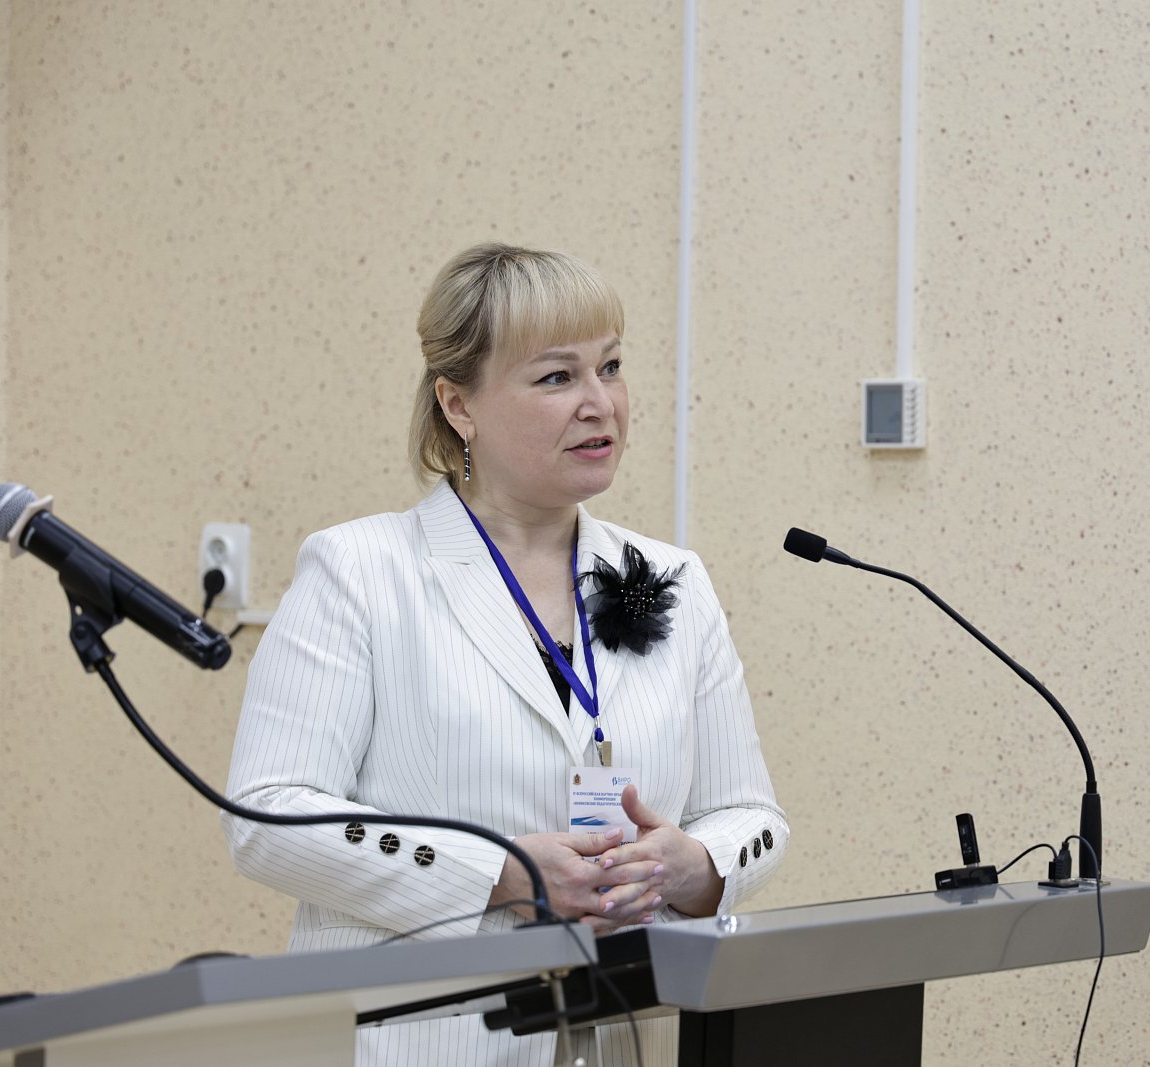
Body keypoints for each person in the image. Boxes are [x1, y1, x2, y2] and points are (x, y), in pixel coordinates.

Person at [222, 243, 789, 1066]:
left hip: (625, 1030)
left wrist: (692, 864)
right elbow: (267, 816)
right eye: (557, 377)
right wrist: (502, 872)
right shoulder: (360, 571)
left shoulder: (676, 578)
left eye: (611, 367)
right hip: (418, 1042)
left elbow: (751, 812)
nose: (600, 403)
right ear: (459, 404)